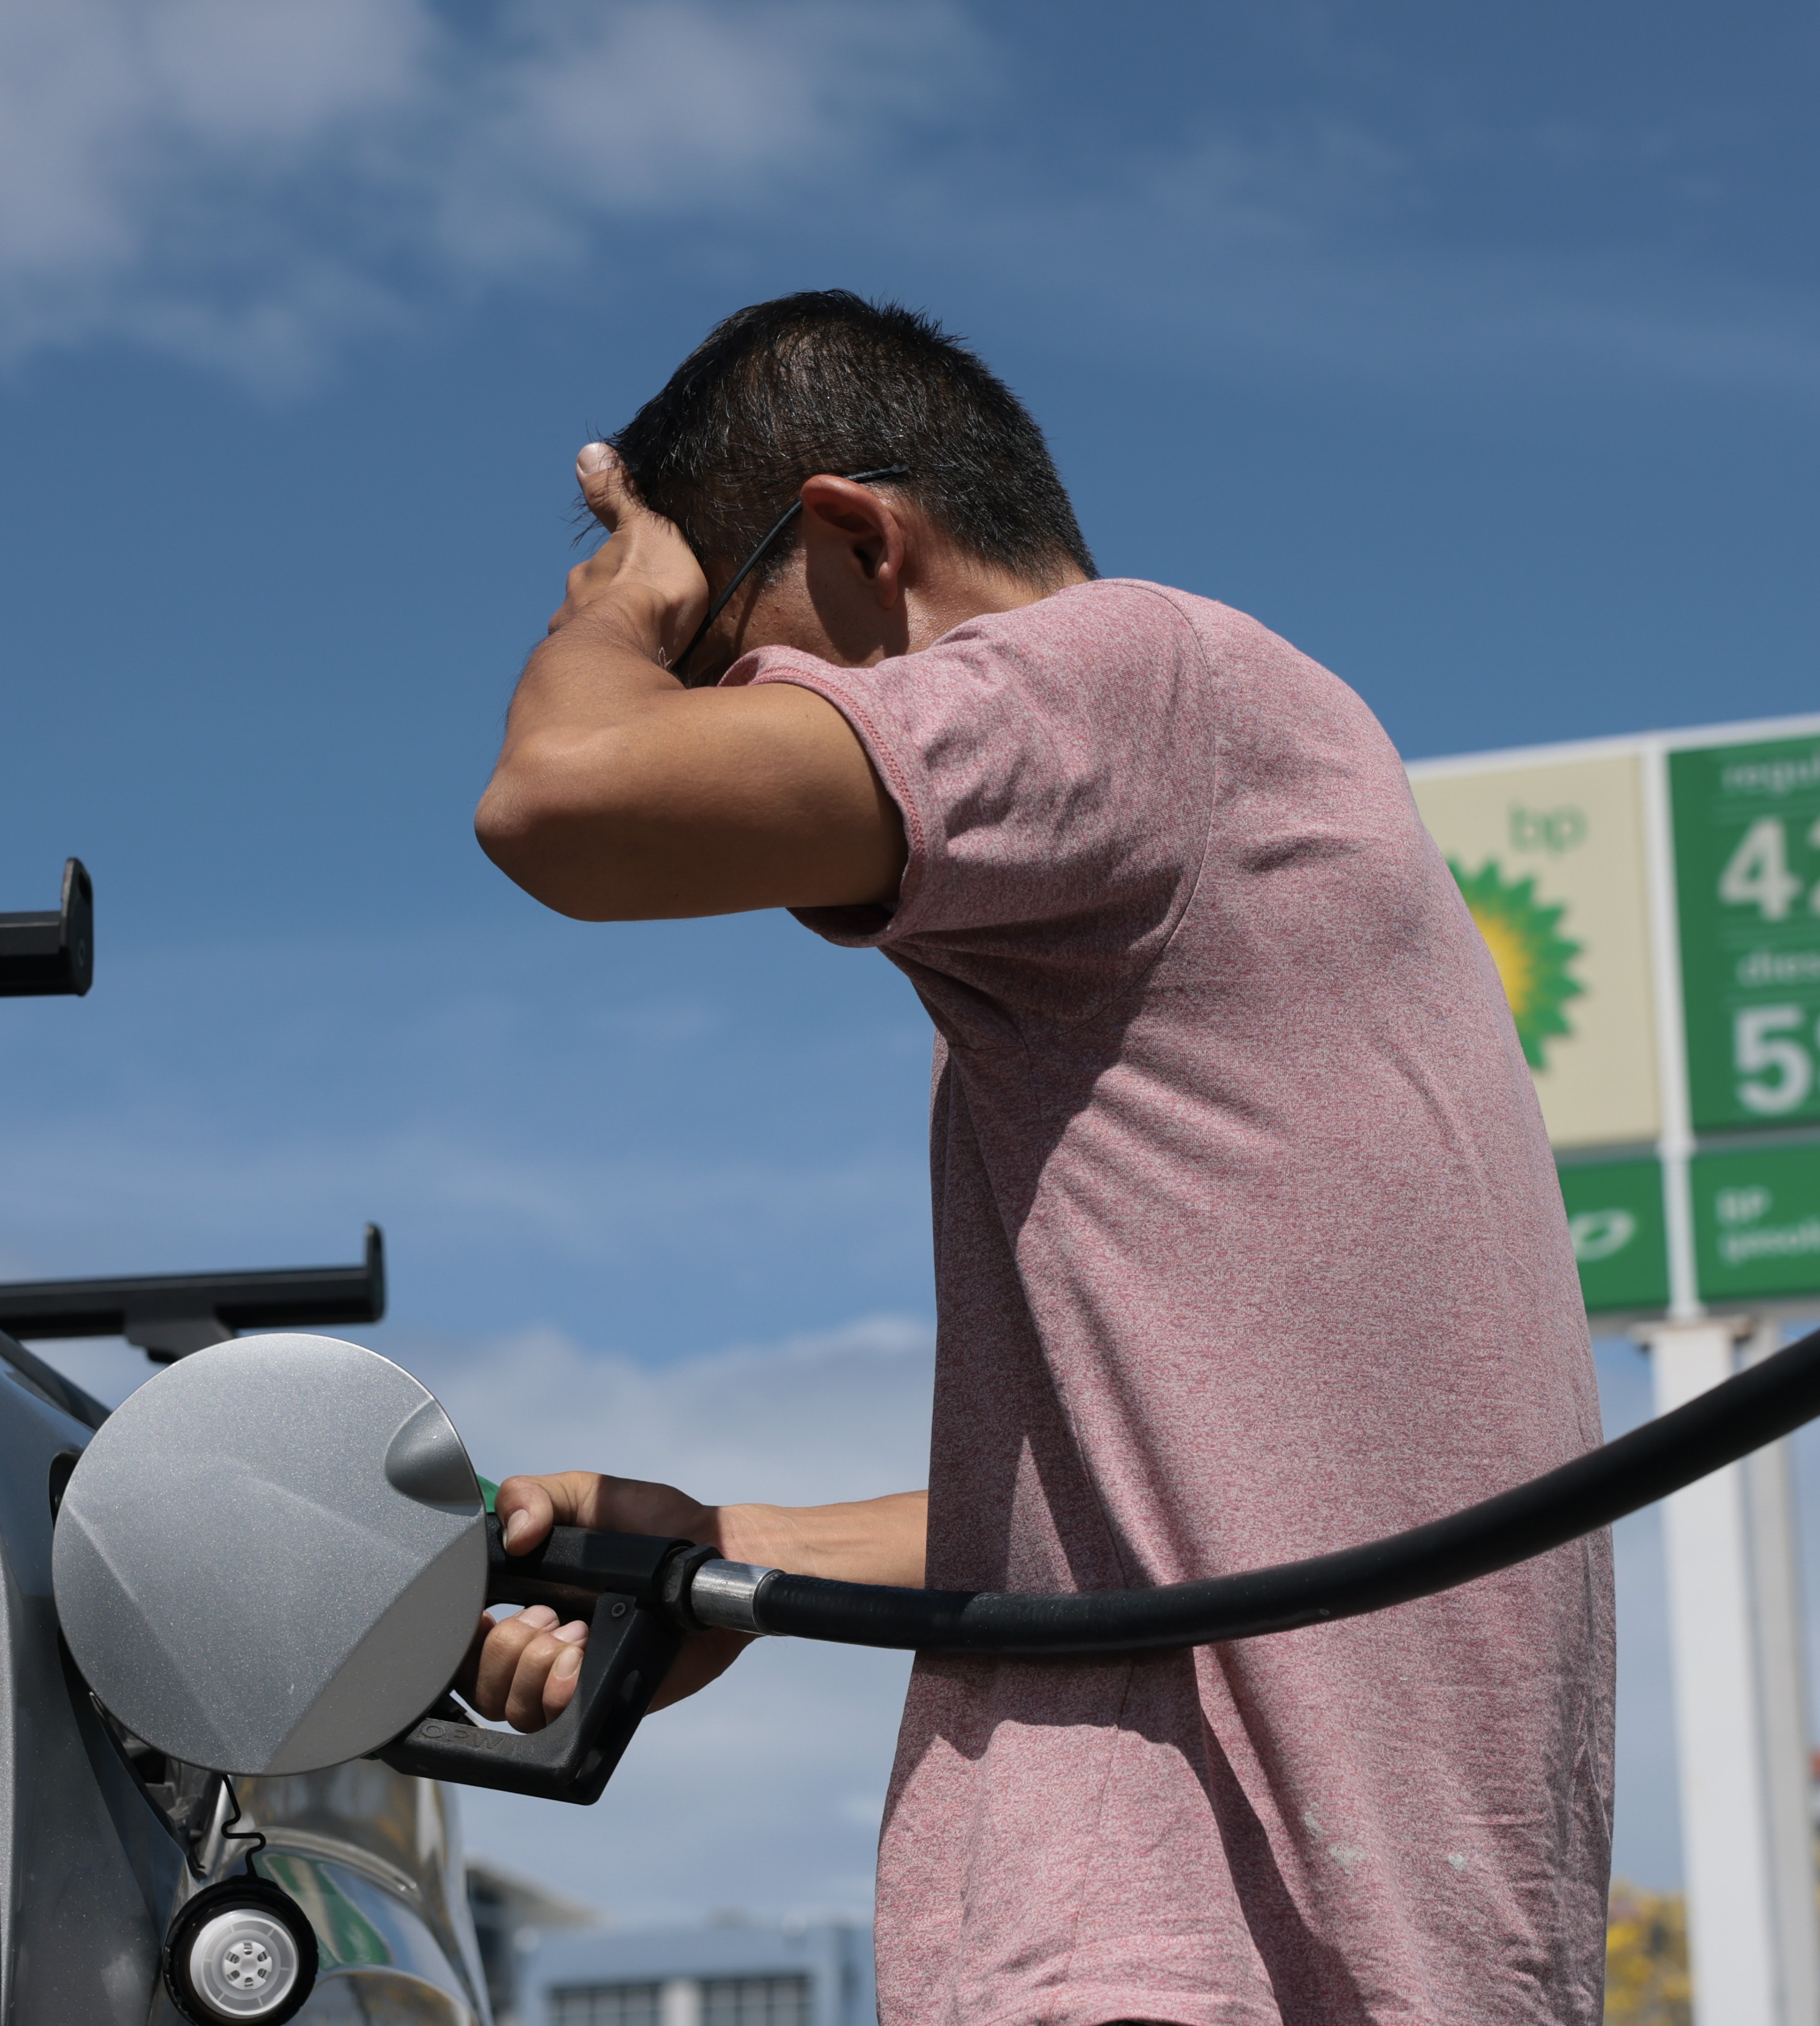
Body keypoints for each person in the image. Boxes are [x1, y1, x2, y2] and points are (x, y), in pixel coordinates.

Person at [469, 291, 1612, 2026]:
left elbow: (566, 795)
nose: (725, 730)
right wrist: (736, 1550)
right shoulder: (1224, 819)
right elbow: (1221, 1513)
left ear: (857, 538)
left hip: (1167, 1939)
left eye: (731, 671)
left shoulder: (1127, 677)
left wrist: (621, 614)